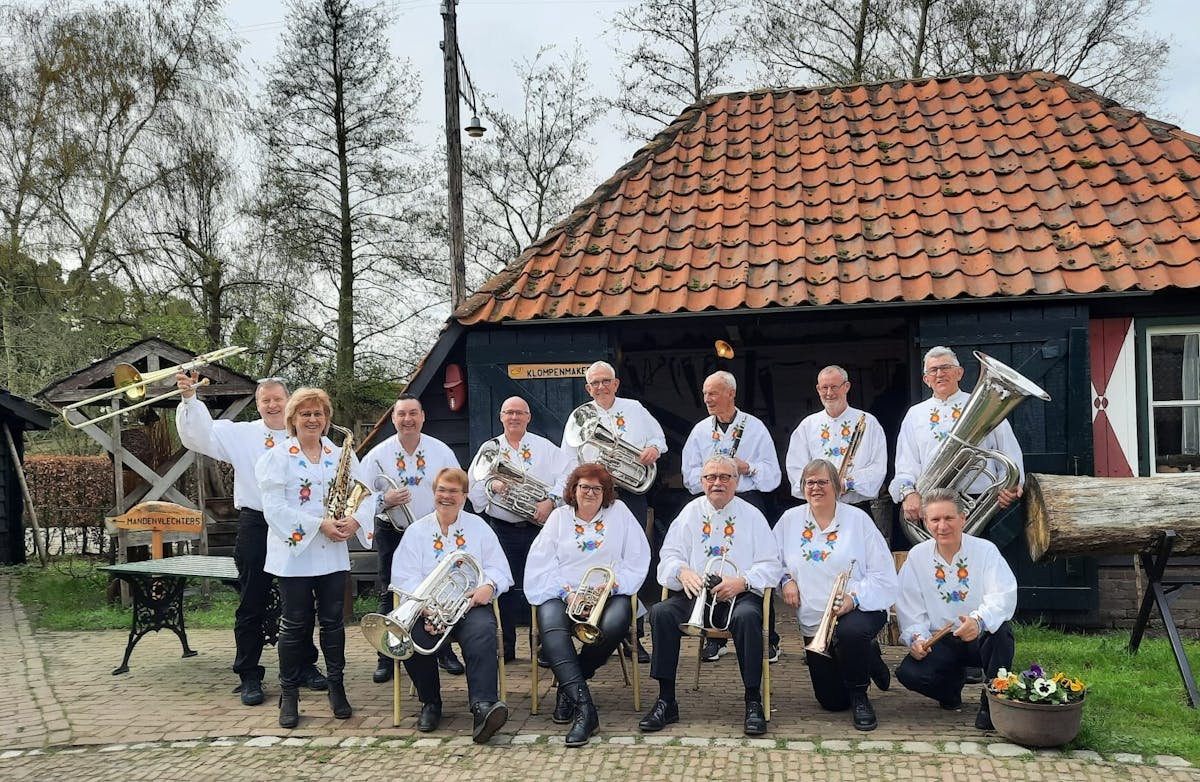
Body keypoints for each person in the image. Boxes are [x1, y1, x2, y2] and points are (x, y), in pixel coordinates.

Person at [175, 372, 326, 706]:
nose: (272, 405)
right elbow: (199, 436)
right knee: (251, 601)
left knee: (300, 599)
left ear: (289, 401)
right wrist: (189, 398)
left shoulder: (306, 432)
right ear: (257, 405)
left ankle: (303, 665)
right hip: (257, 524)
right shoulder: (241, 434)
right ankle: (248, 674)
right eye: (265, 400)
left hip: (296, 524)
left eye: (278, 399)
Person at [255, 387, 375, 729]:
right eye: (305, 413)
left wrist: (355, 521)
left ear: (327, 419)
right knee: (294, 625)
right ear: (292, 419)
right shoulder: (277, 457)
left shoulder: (340, 454)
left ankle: (337, 687)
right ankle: (289, 693)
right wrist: (319, 524)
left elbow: (366, 495)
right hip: (294, 555)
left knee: (334, 624)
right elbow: (273, 508)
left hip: (331, 553)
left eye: (318, 413)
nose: (312, 419)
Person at [639, 455, 783, 737]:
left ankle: (752, 700)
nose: (717, 482)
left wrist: (743, 581)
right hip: (697, 596)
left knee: (748, 617)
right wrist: (681, 572)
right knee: (661, 613)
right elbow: (669, 556)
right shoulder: (690, 513)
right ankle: (666, 700)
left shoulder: (753, 516)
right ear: (702, 482)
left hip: (739, 595)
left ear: (736, 481)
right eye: (711, 477)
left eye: (724, 477)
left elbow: (771, 564)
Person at [525, 463, 651, 747]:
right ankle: (585, 708)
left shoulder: (620, 513)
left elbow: (636, 557)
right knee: (551, 626)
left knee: (615, 624)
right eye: (584, 487)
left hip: (609, 592)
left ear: (606, 492)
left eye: (597, 488)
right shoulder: (558, 518)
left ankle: (570, 686)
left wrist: (610, 587)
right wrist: (568, 594)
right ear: (574, 489)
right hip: (564, 593)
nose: (590, 493)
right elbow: (542, 563)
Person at [391, 467, 512, 744]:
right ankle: (430, 703)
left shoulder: (479, 528)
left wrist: (488, 586)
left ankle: (483, 707)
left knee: (482, 633)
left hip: (469, 606)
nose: (446, 496)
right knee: (411, 637)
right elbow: (404, 577)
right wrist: (424, 607)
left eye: (453, 491)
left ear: (465, 496)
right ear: (434, 493)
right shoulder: (416, 532)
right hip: (427, 607)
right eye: (441, 490)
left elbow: (498, 568)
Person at [774, 459, 896, 731]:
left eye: (823, 482)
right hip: (815, 618)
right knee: (832, 701)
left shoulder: (858, 520)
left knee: (850, 633)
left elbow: (883, 572)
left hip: (859, 609)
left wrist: (854, 598)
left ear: (837, 487)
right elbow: (770, 560)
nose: (816, 487)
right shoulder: (789, 520)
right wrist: (786, 580)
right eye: (810, 482)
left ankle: (860, 696)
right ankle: (869, 656)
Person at [561, 360, 664, 663]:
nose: (601, 387)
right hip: (592, 497)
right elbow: (568, 461)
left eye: (606, 381)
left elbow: (659, 439)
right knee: (594, 558)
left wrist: (653, 449)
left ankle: (634, 636)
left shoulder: (635, 409)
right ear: (587, 388)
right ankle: (588, 626)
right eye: (595, 383)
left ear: (616, 383)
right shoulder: (579, 417)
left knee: (631, 559)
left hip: (630, 494)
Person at [357, 394, 463, 683]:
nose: (408, 419)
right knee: (389, 592)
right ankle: (386, 656)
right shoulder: (377, 455)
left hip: (433, 532)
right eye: (402, 414)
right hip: (392, 531)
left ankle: (443, 651)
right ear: (393, 418)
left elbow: (457, 487)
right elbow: (360, 499)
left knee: (438, 592)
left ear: (423, 416)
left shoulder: (441, 451)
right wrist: (385, 500)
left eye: (413, 413)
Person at [895, 489, 1017, 731]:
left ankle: (992, 703)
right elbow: (910, 605)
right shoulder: (917, 556)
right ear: (925, 522)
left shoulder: (985, 550)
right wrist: (917, 639)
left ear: (963, 518)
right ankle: (950, 690)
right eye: (935, 519)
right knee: (909, 674)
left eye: (949, 518)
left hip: (979, 636)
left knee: (1002, 633)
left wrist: (978, 621)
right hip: (941, 639)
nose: (942, 526)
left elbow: (1003, 595)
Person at [681, 371, 782, 663]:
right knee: (711, 561)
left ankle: (768, 639)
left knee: (755, 566)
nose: (707, 399)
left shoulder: (755, 428)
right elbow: (689, 475)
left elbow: (773, 475)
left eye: (713, 393)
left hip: (747, 501)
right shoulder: (700, 431)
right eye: (705, 394)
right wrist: (712, 478)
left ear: (731, 394)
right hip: (711, 503)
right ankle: (715, 637)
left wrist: (746, 467)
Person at [467, 396, 570, 661]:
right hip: (503, 529)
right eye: (509, 412)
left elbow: (568, 474)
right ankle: (506, 647)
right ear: (501, 416)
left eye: (519, 413)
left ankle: (545, 647)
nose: (514, 417)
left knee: (545, 584)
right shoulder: (489, 449)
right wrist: (492, 486)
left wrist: (551, 501)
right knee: (503, 588)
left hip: (540, 529)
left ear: (528, 417)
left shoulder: (544, 447)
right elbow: (473, 486)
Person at [889, 346, 1026, 526]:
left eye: (946, 367)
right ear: (926, 379)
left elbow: (1009, 452)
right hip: (932, 502)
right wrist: (908, 493)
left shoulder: (984, 405)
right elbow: (906, 464)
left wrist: (1010, 487)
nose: (940, 374)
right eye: (933, 370)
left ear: (959, 373)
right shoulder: (915, 414)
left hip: (980, 500)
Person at [784, 366, 887, 519]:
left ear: (846, 387)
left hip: (857, 509)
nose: (829, 393)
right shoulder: (808, 425)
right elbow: (795, 467)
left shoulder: (869, 423)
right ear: (818, 389)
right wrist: (820, 486)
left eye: (834, 387)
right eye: (824, 388)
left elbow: (878, 467)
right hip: (818, 510)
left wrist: (846, 484)